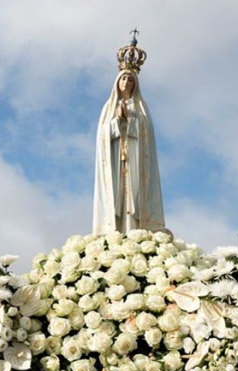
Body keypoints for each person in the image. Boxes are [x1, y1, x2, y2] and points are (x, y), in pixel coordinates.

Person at [93, 39, 166, 236]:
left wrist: (131, 120)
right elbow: (102, 136)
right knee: (116, 195)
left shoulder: (141, 107)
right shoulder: (108, 107)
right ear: (117, 82)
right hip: (115, 159)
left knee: (133, 192)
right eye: (123, 79)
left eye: (131, 79)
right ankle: (114, 231)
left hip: (135, 159)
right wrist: (117, 121)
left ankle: (136, 231)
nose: (126, 82)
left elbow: (146, 135)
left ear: (135, 84)